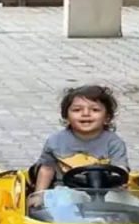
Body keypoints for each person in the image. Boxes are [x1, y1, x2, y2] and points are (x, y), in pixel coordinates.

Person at [28, 85, 131, 213]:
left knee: (132, 202)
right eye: (77, 110)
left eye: (95, 110)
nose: (85, 114)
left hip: (105, 191)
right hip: (67, 190)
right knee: (63, 200)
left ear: (107, 118)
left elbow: (120, 168)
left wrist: (120, 181)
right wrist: (39, 194)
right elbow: (46, 169)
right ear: (66, 117)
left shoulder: (114, 142)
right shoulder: (56, 141)